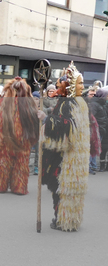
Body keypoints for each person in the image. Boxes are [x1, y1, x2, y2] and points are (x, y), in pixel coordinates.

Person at [41, 62, 90, 231]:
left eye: (82, 83)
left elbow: (69, 127)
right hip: (75, 156)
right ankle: (69, 220)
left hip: (67, 157)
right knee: (66, 190)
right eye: (79, 83)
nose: (82, 86)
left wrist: (47, 120)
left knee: (61, 190)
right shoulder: (79, 103)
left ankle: (64, 220)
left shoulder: (70, 104)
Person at [0, 77, 39, 194]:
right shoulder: (29, 105)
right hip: (23, 142)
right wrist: (32, 140)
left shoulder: (3, 104)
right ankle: (19, 187)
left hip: (6, 141)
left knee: (2, 163)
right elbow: (35, 126)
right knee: (21, 164)